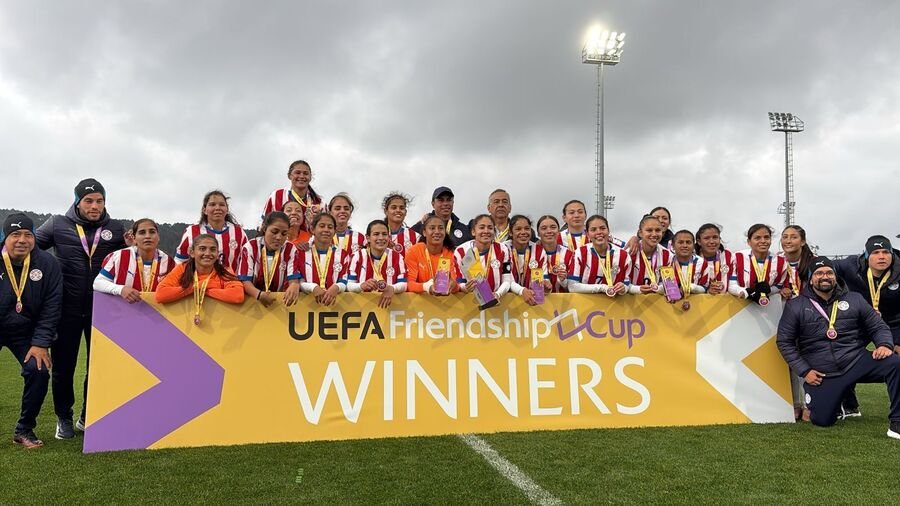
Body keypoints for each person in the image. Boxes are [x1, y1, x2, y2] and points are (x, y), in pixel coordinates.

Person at [35, 178, 126, 439]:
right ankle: (63, 417)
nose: (94, 206)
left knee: (98, 365)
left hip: (104, 310)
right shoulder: (57, 224)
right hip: (65, 309)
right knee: (64, 366)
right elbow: (31, 250)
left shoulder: (116, 229)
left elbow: (129, 259)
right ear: (77, 202)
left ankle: (89, 413)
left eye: (99, 201)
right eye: (89, 201)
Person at [777, 256, 900, 438]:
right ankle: (840, 398)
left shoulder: (854, 299)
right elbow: (784, 341)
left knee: (895, 363)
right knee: (822, 420)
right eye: (819, 273)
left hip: (855, 361)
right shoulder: (796, 305)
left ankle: (897, 421)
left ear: (835, 276)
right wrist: (805, 371)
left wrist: (884, 344)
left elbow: (877, 326)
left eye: (829, 272)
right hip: (823, 372)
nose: (824, 276)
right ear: (811, 279)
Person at [2, 214, 62, 448]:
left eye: (28, 235)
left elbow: (52, 305)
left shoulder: (48, 264)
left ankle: (24, 430)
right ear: (5, 238)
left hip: (26, 332)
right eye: (15, 235)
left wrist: (40, 343)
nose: (22, 240)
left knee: (38, 370)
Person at [834, 235, 900, 418]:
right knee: (842, 354)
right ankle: (849, 405)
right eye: (876, 252)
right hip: (860, 323)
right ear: (865, 255)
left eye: (886, 252)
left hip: (893, 323)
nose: (881, 257)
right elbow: (822, 267)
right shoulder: (850, 265)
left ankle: (898, 413)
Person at [155, 235, 244, 322]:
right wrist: (196, 287)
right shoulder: (182, 268)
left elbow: (238, 296)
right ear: (192, 253)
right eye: (202, 249)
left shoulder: (225, 271)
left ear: (217, 255)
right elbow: (160, 295)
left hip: (219, 325)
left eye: (213, 249)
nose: (208, 253)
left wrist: (203, 288)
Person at [93, 219, 173, 299]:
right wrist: (121, 289)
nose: (147, 236)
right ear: (134, 238)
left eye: (152, 232)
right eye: (142, 232)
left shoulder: (168, 262)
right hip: (123, 310)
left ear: (158, 237)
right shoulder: (119, 256)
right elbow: (98, 283)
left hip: (157, 311)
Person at [175, 190, 249, 274]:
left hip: (230, 284)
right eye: (212, 204)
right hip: (198, 284)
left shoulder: (239, 233)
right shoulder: (192, 231)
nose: (217, 208)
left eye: (221, 204)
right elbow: (179, 261)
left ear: (227, 209)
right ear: (204, 210)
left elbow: (246, 263)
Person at [237, 212, 301, 308]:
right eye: (274, 232)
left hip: (279, 304)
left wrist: (294, 285)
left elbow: (293, 279)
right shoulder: (250, 247)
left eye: (284, 234)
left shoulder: (291, 249)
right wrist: (259, 295)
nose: (279, 237)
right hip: (252, 302)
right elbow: (245, 281)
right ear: (264, 228)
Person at [347, 220, 407, 308]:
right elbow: (349, 285)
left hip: (390, 310)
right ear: (368, 237)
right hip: (362, 309)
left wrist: (392, 288)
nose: (381, 237)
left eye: (384, 234)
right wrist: (361, 286)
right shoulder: (357, 256)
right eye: (376, 234)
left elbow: (404, 284)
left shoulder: (397, 257)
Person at [568, 215, 631, 295]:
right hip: (585, 305)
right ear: (587, 234)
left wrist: (623, 288)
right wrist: (602, 288)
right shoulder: (580, 253)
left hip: (614, 305)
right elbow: (572, 286)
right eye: (593, 230)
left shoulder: (623, 255)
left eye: (602, 228)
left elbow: (627, 284)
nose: (599, 232)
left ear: (608, 230)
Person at [454, 215, 512, 300]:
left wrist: (497, 294)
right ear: (473, 232)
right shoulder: (461, 251)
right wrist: (465, 288)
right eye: (481, 227)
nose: (486, 231)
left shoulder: (503, 249)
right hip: (469, 304)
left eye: (490, 228)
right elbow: (459, 281)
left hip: (497, 304)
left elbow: (507, 280)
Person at [728, 224, 789, 305]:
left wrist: (769, 291)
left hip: (766, 311)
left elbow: (779, 286)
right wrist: (745, 292)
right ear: (749, 242)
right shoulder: (737, 257)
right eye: (757, 238)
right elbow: (731, 285)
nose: (763, 241)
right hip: (739, 309)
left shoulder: (781, 262)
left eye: (766, 237)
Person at [297, 213, 349, 306]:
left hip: (335, 308)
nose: (326, 230)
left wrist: (336, 287)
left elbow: (344, 280)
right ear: (313, 229)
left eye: (330, 227)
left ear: (334, 231)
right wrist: (313, 287)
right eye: (322, 226)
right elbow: (298, 282)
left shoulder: (343, 254)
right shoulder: (301, 252)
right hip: (305, 308)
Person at [261, 160, 325, 233]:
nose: (301, 176)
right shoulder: (277, 196)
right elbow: (263, 224)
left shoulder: (319, 202)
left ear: (310, 177)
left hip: (308, 243)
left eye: (305, 173)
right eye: (297, 173)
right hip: (280, 242)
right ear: (289, 176)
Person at [404, 215, 461, 295]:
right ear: (424, 232)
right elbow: (409, 285)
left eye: (441, 228)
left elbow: (456, 285)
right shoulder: (414, 251)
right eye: (432, 228)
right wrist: (427, 287)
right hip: (419, 304)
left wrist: (453, 286)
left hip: (445, 303)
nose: (437, 232)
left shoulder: (450, 254)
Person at [505, 215, 550, 305]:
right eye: (518, 229)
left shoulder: (539, 250)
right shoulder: (503, 249)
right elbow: (506, 279)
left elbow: (543, 277)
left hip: (531, 300)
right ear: (510, 232)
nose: (523, 232)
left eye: (527, 228)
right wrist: (522, 291)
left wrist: (546, 286)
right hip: (507, 302)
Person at [628, 215, 673, 295]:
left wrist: (658, 289)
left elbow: (671, 287)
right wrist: (637, 289)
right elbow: (619, 283)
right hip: (630, 304)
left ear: (662, 233)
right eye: (649, 230)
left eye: (658, 230)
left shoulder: (668, 255)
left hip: (657, 304)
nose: (654, 234)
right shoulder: (629, 253)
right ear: (641, 233)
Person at [694, 223, 734, 295]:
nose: (712, 242)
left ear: (719, 239)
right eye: (707, 238)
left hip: (725, 302)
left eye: (715, 237)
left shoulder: (729, 256)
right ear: (699, 242)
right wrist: (707, 290)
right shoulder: (693, 260)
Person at [537, 215, 574, 293]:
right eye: (544, 228)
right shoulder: (532, 253)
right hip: (537, 301)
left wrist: (563, 281)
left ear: (558, 231)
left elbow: (572, 287)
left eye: (553, 227)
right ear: (538, 233)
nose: (549, 231)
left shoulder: (569, 254)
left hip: (564, 302)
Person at [779, 225, 814, 300]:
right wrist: (779, 290)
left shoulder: (814, 262)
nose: (788, 241)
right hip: (783, 308)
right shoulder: (775, 262)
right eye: (785, 237)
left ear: (802, 242)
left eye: (794, 237)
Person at [671, 230, 705, 303]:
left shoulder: (702, 263)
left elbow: (705, 288)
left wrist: (690, 287)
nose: (685, 246)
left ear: (693, 246)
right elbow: (660, 285)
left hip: (697, 306)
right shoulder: (668, 262)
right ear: (673, 245)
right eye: (680, 242)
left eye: (688, 242)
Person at [382, 192, 420, 257]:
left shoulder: (415, 237)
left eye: (402, 208)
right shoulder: (376, 235)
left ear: (405, 212)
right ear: (386, 211)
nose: (398, 210)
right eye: (394, 208)